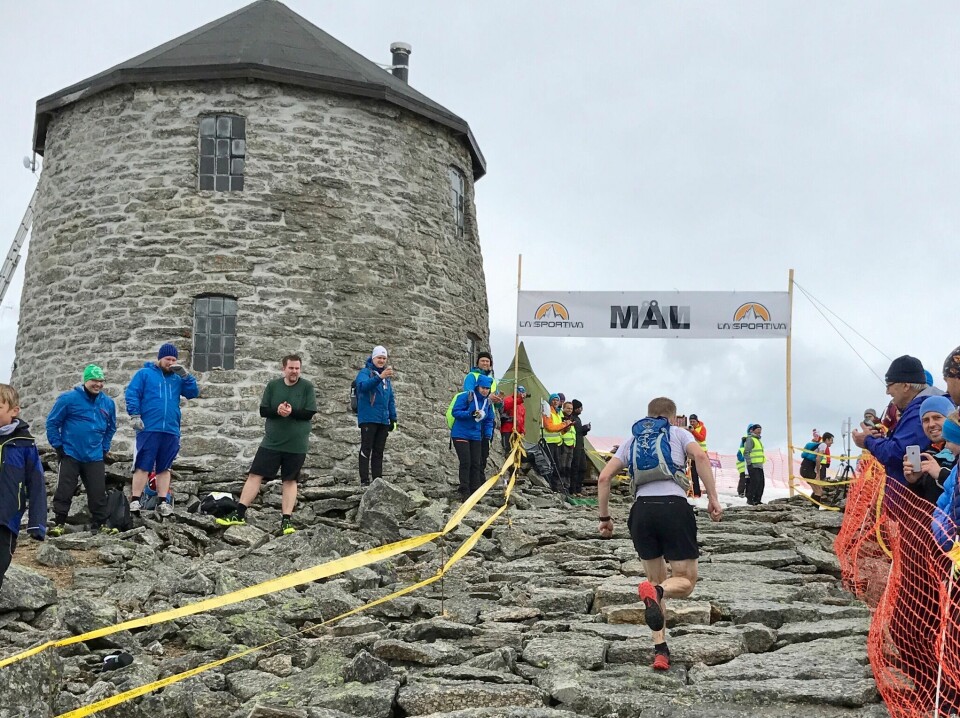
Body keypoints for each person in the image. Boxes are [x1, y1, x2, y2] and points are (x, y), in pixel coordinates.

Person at [596, 396, 722, 672]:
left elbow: (604, 478)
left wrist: (605, 518)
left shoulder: (631, 441)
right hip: (673, 507)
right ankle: (657, 591)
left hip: (642, 512)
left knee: (654, 581)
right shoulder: (678, 433)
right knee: (685, 582)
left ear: (648, 416)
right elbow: (700, 456)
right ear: (672, 417)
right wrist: (713, 498)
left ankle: (660, 650)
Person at [217, 355, 317, 535]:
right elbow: (264, 410)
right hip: (271, 442)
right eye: (291, 368)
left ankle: (286, 521)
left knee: (290, 480)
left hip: (296, 444)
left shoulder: (307, 387)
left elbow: (309, 413)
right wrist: (278, 411)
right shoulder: (273, 386)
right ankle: (239, 513)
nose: (294, 372)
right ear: (283, 368)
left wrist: (291, 411)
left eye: (297, 368)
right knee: (255, 474)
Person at [125, 344, 200, 517]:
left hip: (171, 428)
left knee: (165, 467)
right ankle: (135, 499)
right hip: (149, 426)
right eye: (168, 359)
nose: (171, 362)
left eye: (174, 359)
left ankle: (162, 501)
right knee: (143, 464)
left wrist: (186, 376)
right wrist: (135, 415)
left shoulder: (177, 378)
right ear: (160, 358)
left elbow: (193, 392)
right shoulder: (145, 374)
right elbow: (132, 393)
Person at [46, 365, 117, 536]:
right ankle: (59, 524)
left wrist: (104, 448)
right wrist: (58, 446)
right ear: (86, 380)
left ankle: (101, 525)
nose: (98, 384)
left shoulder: (108, 403)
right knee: (65, 489)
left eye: (101, 381)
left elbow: (111, 427)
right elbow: (52, 422)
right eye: (94, 380)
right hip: (70, 453)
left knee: (98, 492)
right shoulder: (68, 399)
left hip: (94, 455)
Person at [852, 355, 941, 486]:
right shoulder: (922, 406)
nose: (887, 391)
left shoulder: (921, 409)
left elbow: (898, 453)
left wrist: (867, 440)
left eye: (889, 385)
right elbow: (904, 445)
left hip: (912, 496)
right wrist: (880, 439)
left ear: (905, 386)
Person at [0, 385, 47, 590]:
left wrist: (37, 524)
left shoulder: (25, 444)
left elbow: (36, 485)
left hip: (6, 520)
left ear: (14, 411)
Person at [354, 346, 397, 487]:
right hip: (368, 417)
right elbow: (362, 386)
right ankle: (364, 480)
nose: (382, 360)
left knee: (379, 451)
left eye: (384, 358)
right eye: (379, 357)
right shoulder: (365, 372)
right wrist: (380, 377)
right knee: (366, 448)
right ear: (373, 358)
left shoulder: (386, 378)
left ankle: (378, 480)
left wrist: (393, 418)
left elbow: (390, 398)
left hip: (383, 419)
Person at [902, 395, 956, 505]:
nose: (931, 424)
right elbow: (922, 505)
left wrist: (940, 475)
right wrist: (914, 481)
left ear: (950, 419)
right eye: (926, 420)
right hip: (935, 521)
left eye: (937, 417)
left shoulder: (957, 449)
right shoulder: (928, 453)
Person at [450, 374, 495, 501]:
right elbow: (456, 412)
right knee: (466, 461)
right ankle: (464, 489)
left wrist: (488, 434)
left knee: (476, 463)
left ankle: (475, 490)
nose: (485, 390)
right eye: (483, 388)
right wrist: (471, 414)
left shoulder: (487, 402)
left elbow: (489, 419)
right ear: (477, 386)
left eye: (487, 388)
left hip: (475, 435)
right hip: (460, 433)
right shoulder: (467, 396)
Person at [542, 393, 573, 493]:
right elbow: (549, 427)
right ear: (550, 401)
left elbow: (558, 430)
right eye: (554, 400)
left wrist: (566, 429)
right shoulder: (547, 411)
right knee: (550, 465)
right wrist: (564, 424)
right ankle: (549, 487)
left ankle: (556, 488)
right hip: (549, 443)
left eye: (557, 400)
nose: (555, 402)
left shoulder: (557, 413)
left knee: (558, 466)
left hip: (557, 443)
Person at [570, 399, 591, 496]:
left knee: (583, 467)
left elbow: (580, 433)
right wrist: (583, 429)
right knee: (575, 467)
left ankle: (578, 489)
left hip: (581, 446)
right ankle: (573, 490)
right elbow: (574, 432)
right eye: (580, 408)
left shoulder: (578, 419)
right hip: (575, 446)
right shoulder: (571, 418)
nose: (581, 410)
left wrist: (585, 429)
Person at [499, 385, 526, 454]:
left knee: (517, 452)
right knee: (507, 450)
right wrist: (519, 400)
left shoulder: (522, 407)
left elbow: (522, 420)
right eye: (520, 391)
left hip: (518, 432)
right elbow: (506, 406)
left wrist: (523, 431)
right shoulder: (508, 399)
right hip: (507, 430)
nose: (521, 393)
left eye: (523, 392)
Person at [743, 424, 765, 505]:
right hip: (753, 465)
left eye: (760, 429)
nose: (759, 430)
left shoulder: (758, 440)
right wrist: (749, 463)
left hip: (759, 465)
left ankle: (757, 499)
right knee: (754, 482)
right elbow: (746, 452)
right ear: (753, 430)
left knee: (761, 483)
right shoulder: (750, 439)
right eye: (757, 429)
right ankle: (750, 499)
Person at [687, 414, 707, 498]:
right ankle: (696, 493)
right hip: (693, 455)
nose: (692, 423)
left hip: (702, 454)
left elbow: (702, 438)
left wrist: (693, 432)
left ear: (697, 421)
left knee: (704, 474)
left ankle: (709, 491)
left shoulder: (702, 428)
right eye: (690, 421)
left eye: (693, 421)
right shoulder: (689, 430)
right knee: (693, 474)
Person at [559, 401, 577, 491]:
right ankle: (562, 485)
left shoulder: (571, 419)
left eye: (571, 409)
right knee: (562, 465)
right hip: (564, 443)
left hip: (571, 445)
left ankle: (567, 485)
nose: (570, 410)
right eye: (568, 408)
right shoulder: (562, 418)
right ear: (564, 408)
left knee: (568, 466)